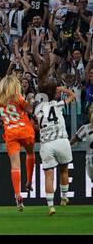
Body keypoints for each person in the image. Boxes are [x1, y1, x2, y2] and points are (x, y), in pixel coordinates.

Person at [0, 73, 37, 212]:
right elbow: (30, 110)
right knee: (30, 153)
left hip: (11, 133)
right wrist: (31, 103)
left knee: (15, 166)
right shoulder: (18, 97)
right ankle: (29, 180)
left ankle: (17, 195)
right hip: (25, 130)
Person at [32, 84, 77, 216]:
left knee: (48, 176)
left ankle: (51, 206)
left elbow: (36, 123)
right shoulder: (57, 104)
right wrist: (62, 89)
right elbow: (72, 96)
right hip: (61, 140)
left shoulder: (37, 109)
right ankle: (64, 198)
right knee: (64, 170)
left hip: (46, 144)